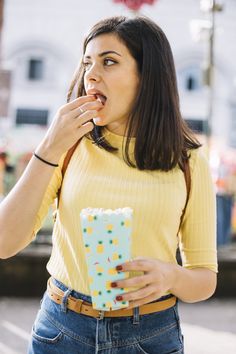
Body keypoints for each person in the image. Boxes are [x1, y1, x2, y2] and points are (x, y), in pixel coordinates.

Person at [0, 16, 217, 354]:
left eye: (109, 61)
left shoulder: (189, 162)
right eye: (87, 62)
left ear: (147, 77)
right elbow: (3, 243)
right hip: (62, 330)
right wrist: (48, 149)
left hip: (151, 335)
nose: (91, 74)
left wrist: (171, 277)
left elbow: (204, 279)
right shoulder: (68, 146)